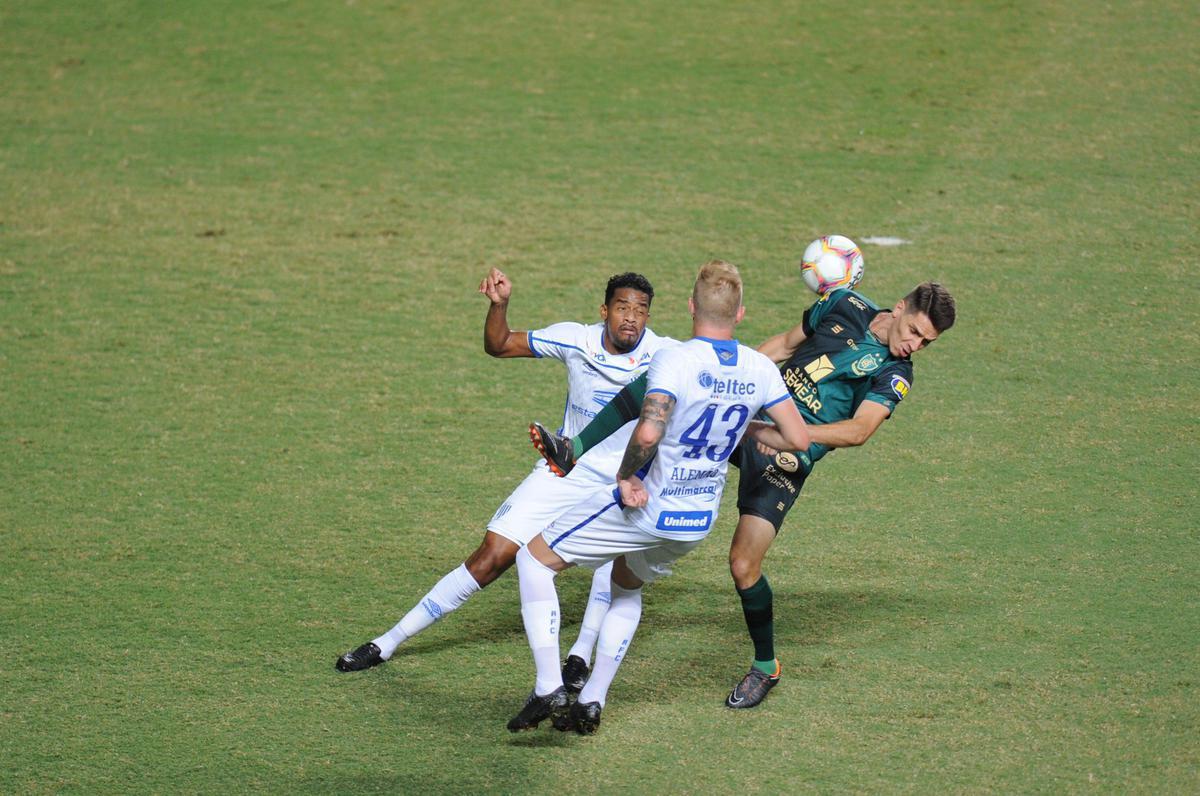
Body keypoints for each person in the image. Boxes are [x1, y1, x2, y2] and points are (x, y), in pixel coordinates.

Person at [530, 281, 957, 709]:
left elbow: (859, 430)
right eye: (915, 332)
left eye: (927, 342)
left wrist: (790, 435)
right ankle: (577, 450)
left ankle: (766, 666)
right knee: (664, 387)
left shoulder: (895, 373)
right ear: (900, 308)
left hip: (787, 456)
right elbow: (785, 345)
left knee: (743, 565)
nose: (915, 345)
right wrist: (732, 376)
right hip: (747, 418)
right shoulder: (844, 304)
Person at [507, 260, 810, 735]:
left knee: (533, 560)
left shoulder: (677, 359)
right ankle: (591, 700)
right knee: (625, 585)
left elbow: (648, 432)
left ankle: (549, 685)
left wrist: (627, 477)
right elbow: (797, 438)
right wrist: (742, 427)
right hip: (696, 520)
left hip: (651, 507)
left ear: (692, 307)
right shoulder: (757, 366)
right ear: (741, 313)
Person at [335, 268, 675, 686]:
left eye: (641, 311)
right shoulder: (576, 339)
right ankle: (387, 641)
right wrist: (500, 306)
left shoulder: (666, 355)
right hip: (564, 469)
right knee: (492, 555)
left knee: (615, 565)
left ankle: (579, 658)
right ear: (604, 310)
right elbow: (499, 344)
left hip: (623, 483)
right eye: (623, 307)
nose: (631, 318)